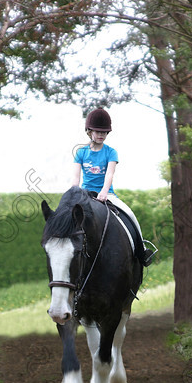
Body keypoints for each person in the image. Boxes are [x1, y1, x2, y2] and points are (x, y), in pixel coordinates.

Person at [73, 108, 156, 267]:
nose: (101, 135)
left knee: (130, 214)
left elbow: (109, 175)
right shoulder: (81, 152)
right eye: (97, 131)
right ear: (89, 131)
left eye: (104, 132)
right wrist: (73, 193)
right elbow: (76, 177)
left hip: (106, 194)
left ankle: (142, 250)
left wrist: (104, 192)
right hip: (85, 194)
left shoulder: (111, 153)